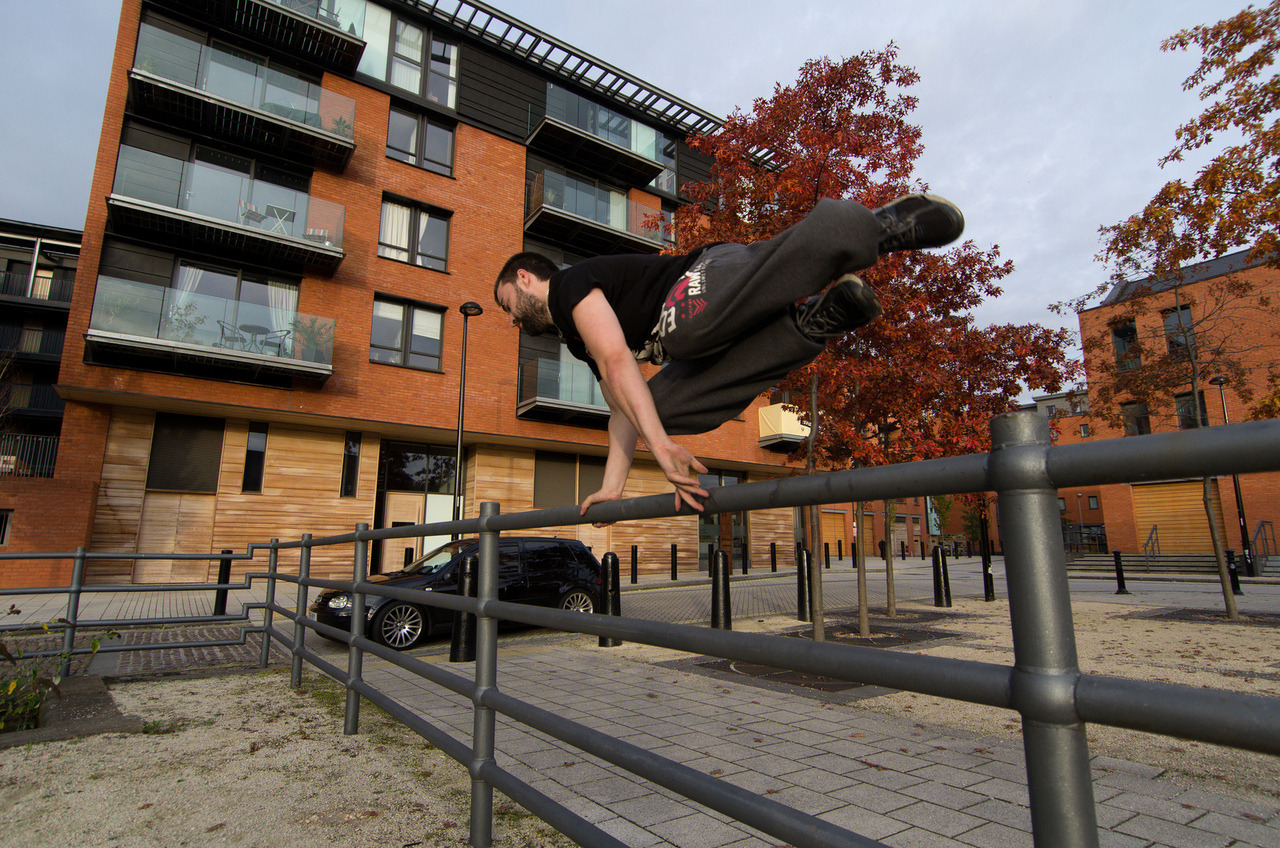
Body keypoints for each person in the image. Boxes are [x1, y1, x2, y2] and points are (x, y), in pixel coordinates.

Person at [493, 194, 964, 520]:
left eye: (506, 304)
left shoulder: (570, 287)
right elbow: (621, 408)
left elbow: (619, 362)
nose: (512, 319)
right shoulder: (577, 339)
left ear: (525, 278)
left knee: (681, 334)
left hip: (707, 274)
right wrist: (613, 487)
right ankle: (810, 324)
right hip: (707, 320)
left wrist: (661, 449)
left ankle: (871, 228)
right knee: (653, 407)